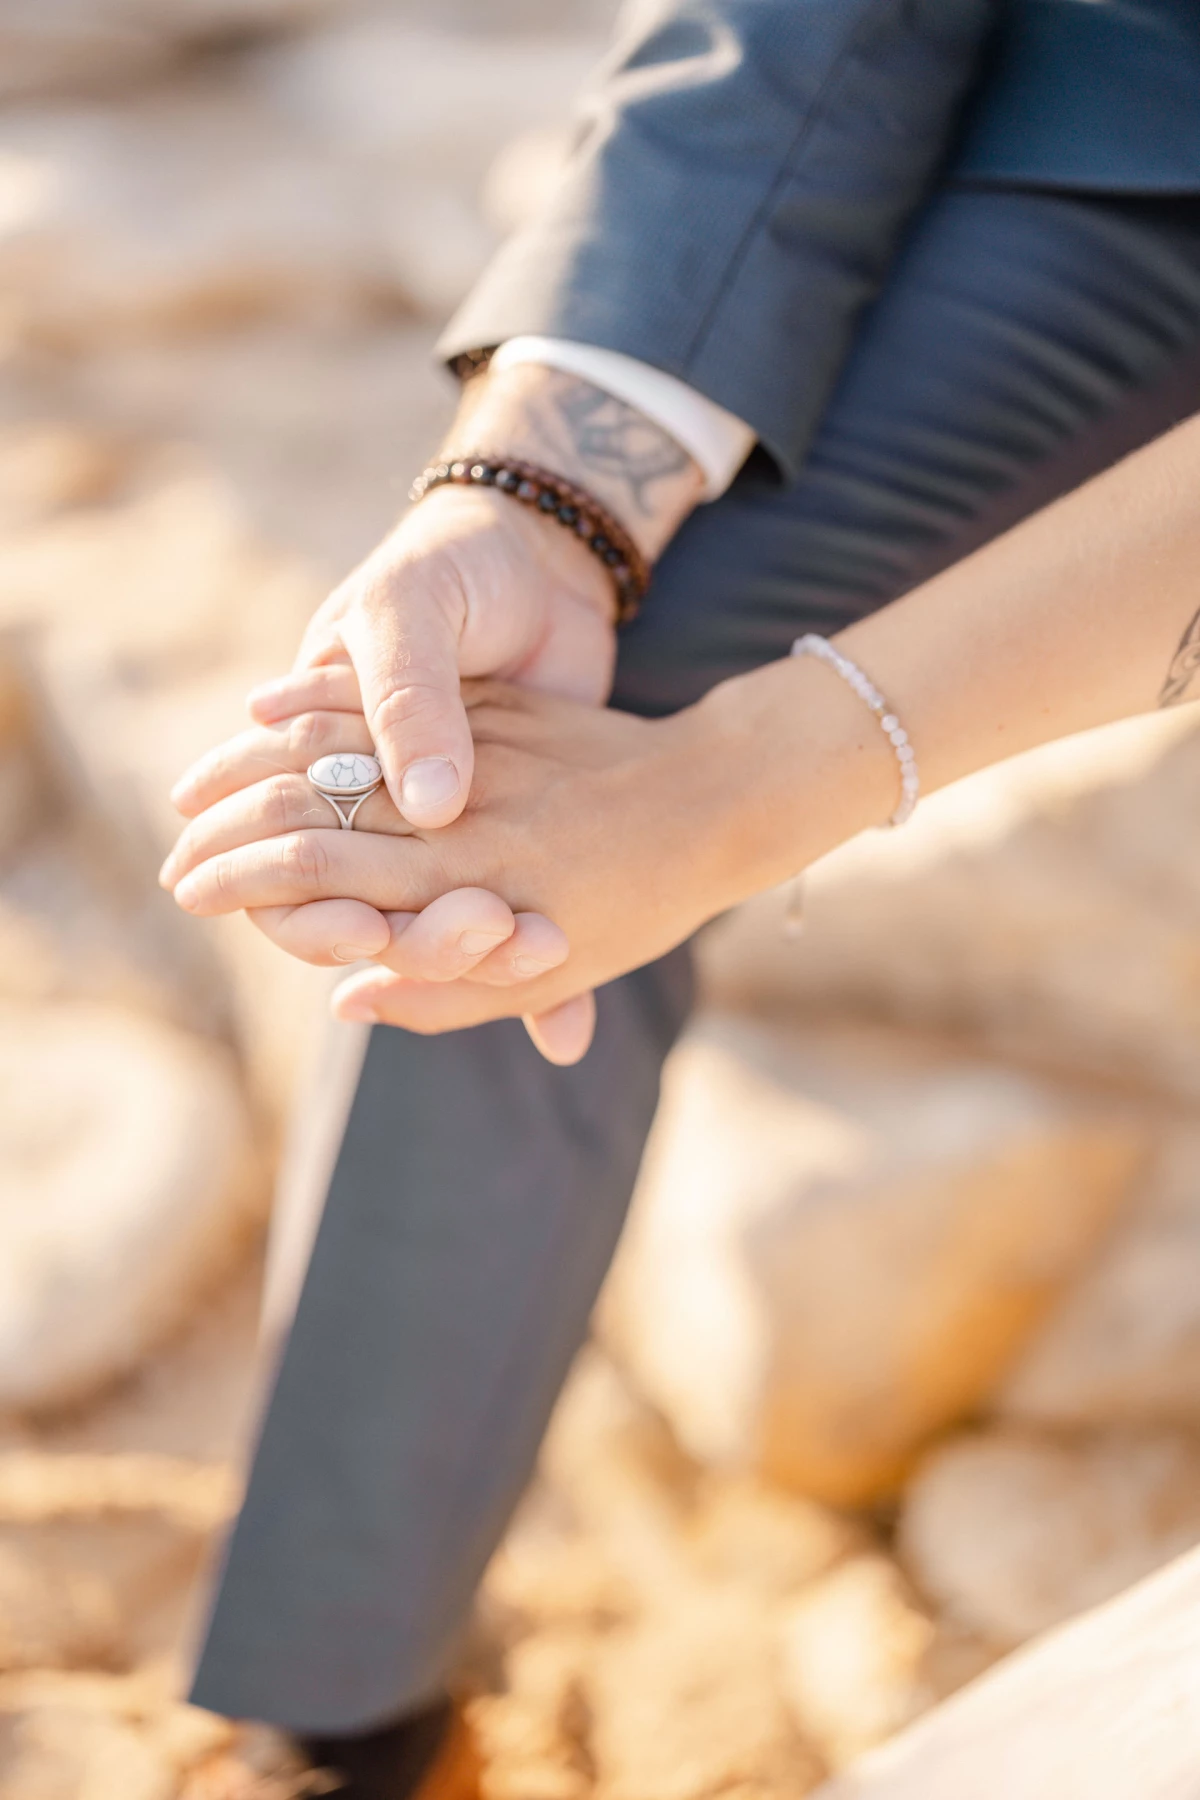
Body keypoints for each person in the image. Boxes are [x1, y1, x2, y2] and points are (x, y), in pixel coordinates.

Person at [161, 2, 1200, 1794]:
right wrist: (538, 486)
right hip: (1141, 123)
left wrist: (749, 783)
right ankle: (347, 1696)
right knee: (492, 770)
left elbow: (729, 788)